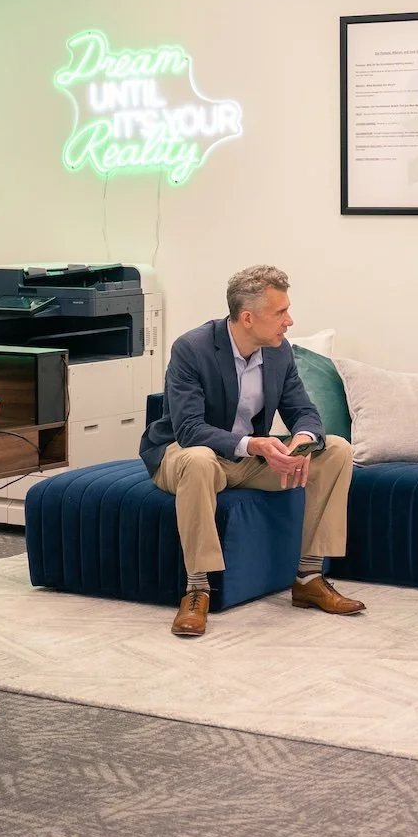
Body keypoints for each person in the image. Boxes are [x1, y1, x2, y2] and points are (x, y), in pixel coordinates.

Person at [140, 265, 362, 638]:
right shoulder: (192, 349)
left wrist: (302, 440)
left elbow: (303, 411)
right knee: (198, 460)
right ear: (247, 317)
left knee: (336, 449)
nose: (289, 321)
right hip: (184, 454)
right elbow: (189, 430)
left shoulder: (279, 352)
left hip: (247, 461)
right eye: (280, 313)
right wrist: (253, 444)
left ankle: (309, 577)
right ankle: (197, 589)